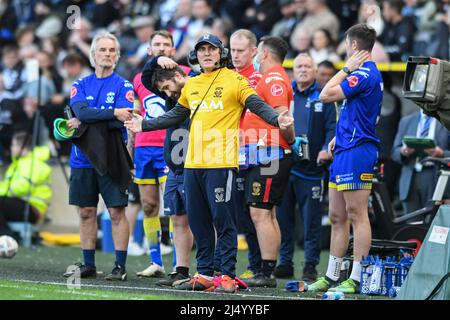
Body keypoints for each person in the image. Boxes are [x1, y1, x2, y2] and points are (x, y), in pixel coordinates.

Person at [125, 33, 295, 293]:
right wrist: (144, 124)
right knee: (198, 221)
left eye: (211, 49)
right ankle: (204, 274)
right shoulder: (192, 85)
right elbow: (175, 115)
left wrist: (276, 119)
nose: (206, 53)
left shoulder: (235, 80)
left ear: (220, 54)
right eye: (201, 50)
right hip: (193, 164)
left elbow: (257, 105)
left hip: (221, 163)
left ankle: (226, 275)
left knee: (222, 220)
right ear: (195, 55)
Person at [306, 23, 383, 294]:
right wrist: (340, 134)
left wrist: (345, 68)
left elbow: (326, 94)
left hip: (358, 150)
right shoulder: (367, 75)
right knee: (337, 215)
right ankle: (331, 275)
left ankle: (357, 276)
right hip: (345, 147)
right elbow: (357, 110)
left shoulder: (362, 74)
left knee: (357, 213)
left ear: (353, 46)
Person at [62, 32, 134, 281]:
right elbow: (81, 110)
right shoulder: (79, 85)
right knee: (86, 212)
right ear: (93, 55)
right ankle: (88, 264)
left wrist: (87, 118)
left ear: (117, 56)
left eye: (112, 50)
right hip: (82, 157)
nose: (107, 54)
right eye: (102, 50)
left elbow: (121, 122)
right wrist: (112, 113)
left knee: (116, 212)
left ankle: (119, 266)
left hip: (112, 156)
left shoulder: (124, 85)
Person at [240, 36, 296, 288]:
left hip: (271, 154)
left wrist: (290, 142)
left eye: (256, 52)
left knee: (260, 214)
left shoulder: (273, 77)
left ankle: (267, 272)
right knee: (266, 214)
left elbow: (283, 117)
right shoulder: (270, 77)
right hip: (265, 154)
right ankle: (267, 269)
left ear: (263, 54)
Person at [275, 53, 336, 282]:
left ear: (314, 70)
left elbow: (332, 127)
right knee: (282, 219)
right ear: (293, 70)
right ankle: (285, 262)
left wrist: (325, 149)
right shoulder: (285, 94)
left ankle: (310, 264)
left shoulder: (324, 96)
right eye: (299, 66)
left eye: (307, 66)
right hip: (284, 166)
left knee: (311, 220)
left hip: (311, 170)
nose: (302, 70)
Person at [128, 30, 174, 278]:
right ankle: (156, 261)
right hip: (144, 148)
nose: (161, 48)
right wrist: (129, 151)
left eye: (166, 44)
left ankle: (180, 264)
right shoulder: (138, 79)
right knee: (148, 206)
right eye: (157, 44)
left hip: (171, 147)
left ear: (173, 50)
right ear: (149, 50)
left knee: (175, 207)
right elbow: (135, 115)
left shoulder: (186, 75)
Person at [229, 28, 262, 279]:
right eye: (233, 50)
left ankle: (260, 264)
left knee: (257, 212)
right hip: (229, 153)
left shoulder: (260, 79)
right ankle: (228, 264)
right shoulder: (226, 77)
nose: (236, 55)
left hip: (257, 153)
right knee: (236, 213)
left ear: (254, 51)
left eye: (241, 51)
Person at [392, 110, 450, 214]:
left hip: (437, 176)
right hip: (411, 178)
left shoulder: (446, 120)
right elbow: (394, 153)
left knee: (433, 223)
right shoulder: (406, 121)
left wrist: (442, 154)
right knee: (412, 226)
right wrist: (404, 151)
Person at [0, 132, 52, 240]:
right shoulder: (18, 163)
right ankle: (6, 236)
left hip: (32, 209)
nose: (11, 148)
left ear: (21, 147)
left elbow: (21, 188)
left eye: (13, 145)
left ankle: (7, 236)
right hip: (21, 204)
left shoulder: (34, 163)